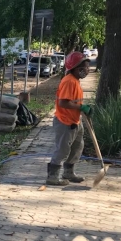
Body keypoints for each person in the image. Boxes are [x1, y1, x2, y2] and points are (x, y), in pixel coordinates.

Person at [46, 51, 92, 186]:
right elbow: (63, 102)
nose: (88, 70)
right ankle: (52, 176)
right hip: (65, 122)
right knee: (62, 150)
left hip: (75, 121)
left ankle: (68, 172)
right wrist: (81, 107)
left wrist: (82, 107)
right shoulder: (69, 81)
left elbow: (74, 101)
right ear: (77, 68)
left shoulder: (76, 81)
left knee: (77, 147)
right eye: (86, 67)